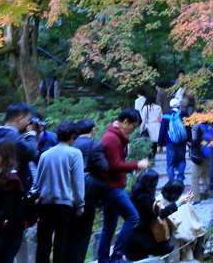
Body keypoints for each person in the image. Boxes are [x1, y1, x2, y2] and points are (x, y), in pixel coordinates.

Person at [98, 108, 150, 263]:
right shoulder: (112, 138)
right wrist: (137, 165)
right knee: (133, 217)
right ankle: (117, 256)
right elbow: (114, 165)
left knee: (109, 225)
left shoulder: (115, 136)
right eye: (133, 126)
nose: (133, 130)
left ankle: (104, 259)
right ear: (125, 122)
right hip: (112, 187)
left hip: (111, 186)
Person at [0, 103, 39, 262]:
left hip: (6, 194)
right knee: (10, 243)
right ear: (20, 118)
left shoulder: (1, 134)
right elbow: (29, 152)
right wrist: (31, 134)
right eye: (28, 120)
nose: (29, 123)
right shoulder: (9, 135)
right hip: (12, 196)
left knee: (10, 244)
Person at [33, 121, 84, 263]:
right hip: (65, 205)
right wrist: (80, 205)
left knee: (43, 244)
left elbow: (38, 182)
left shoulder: (45, 155)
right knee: (61, 243)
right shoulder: (75, 153)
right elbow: (78, 182)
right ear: (73, 136)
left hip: (45, 204)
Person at [122, 171, 192, 261]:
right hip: (138, 239)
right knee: (168, 247)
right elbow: (161, 213)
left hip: (132, 236)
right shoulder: (144, 198)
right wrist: (179, 203)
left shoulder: (133, 194)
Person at [71, 118, 108, 263]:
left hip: (69, 191)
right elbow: (103, 167)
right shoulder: (95, 145)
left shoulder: (70, 144)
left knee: (70, 230)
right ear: (92, 130)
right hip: (89, 192)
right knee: (84, 231)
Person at [160, 99, 188, 182]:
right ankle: (180, 176)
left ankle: (171, 180)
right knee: (182, 159)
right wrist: (189, 140)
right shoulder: (183, 115)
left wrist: (160, 143)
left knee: (170, 162)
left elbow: (162, 130)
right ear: (179, 106)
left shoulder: (166, 116)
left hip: (170, 141)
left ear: (170, 106)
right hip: (182, 141)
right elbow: (188, 128)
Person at [190, 118, 213, 203]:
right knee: (207, 175)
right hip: (210, 155)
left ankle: (196, 199)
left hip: (200, 156)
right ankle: (212, 192)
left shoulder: (199, 128)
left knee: (194, 178)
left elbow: (195, 141)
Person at [139, 95, 162, 159]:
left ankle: (149, 158)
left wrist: (141, 129)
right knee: (155, 144)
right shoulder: (158, 107)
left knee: (149, 144)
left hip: (149, 126)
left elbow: (143, 119)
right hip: (157, 126)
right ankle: (153, 157)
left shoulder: (145, 108)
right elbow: (160, 118)